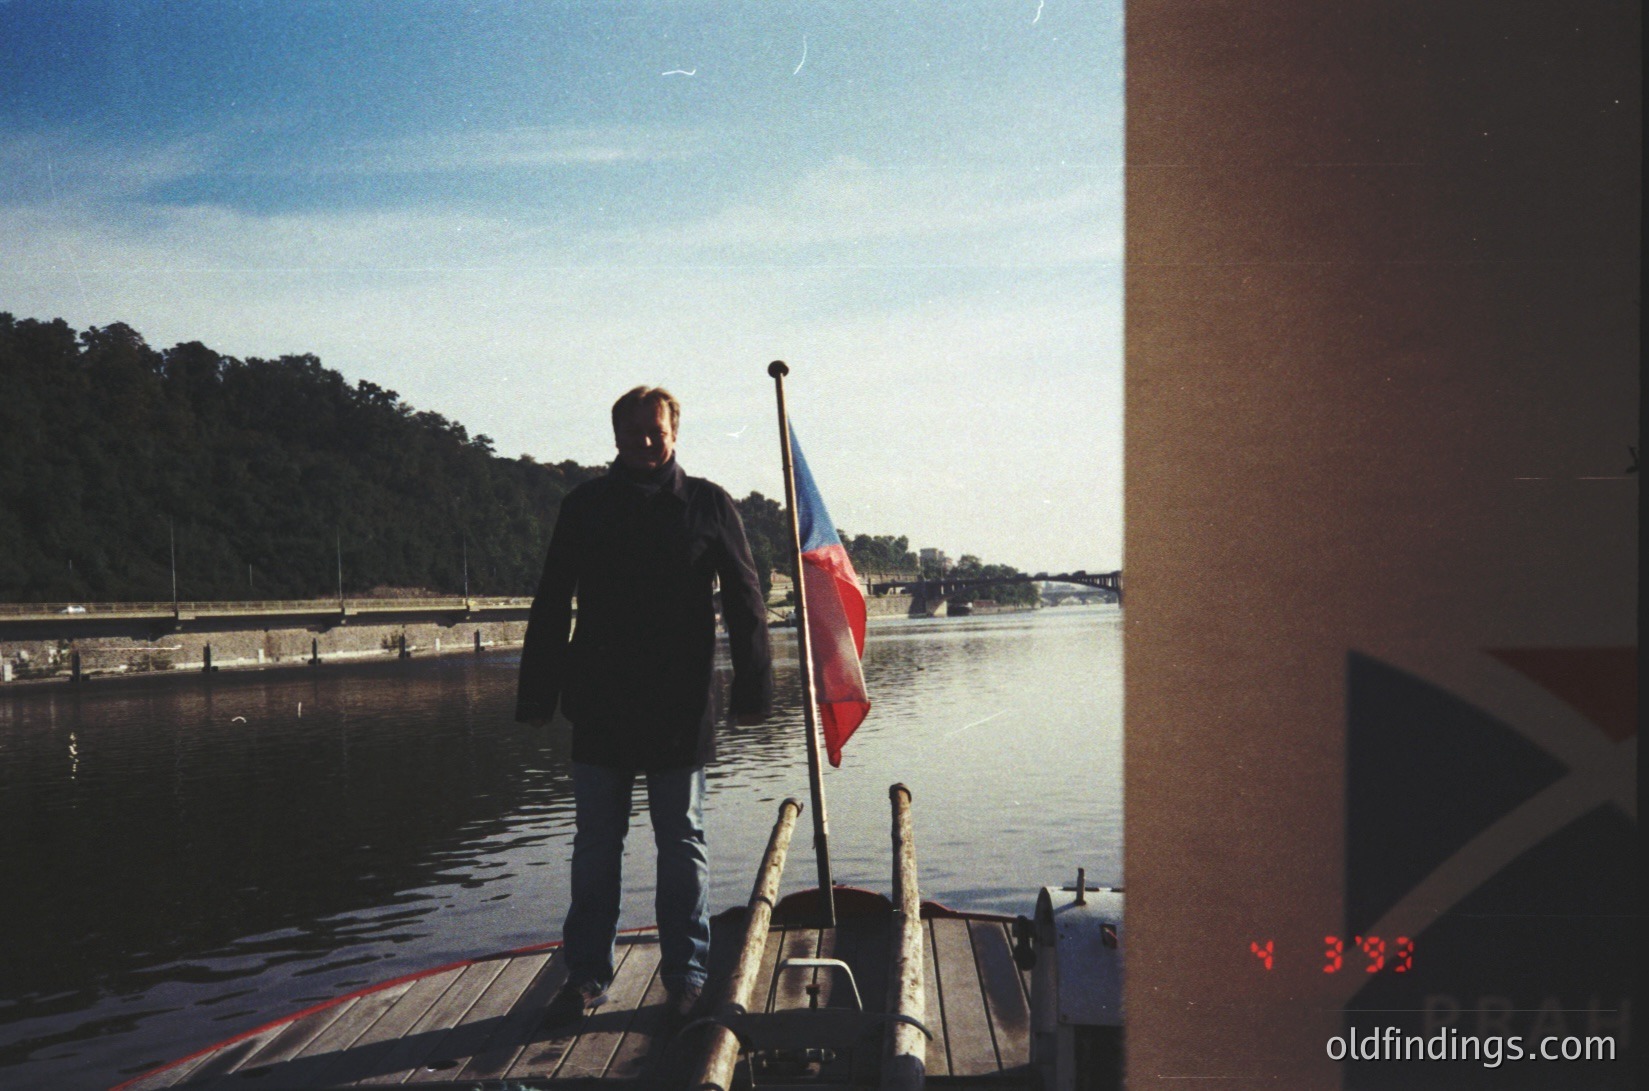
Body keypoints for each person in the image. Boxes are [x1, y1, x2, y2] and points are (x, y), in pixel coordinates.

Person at [516, 385, 772, 1025]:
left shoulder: (709, 504)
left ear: (674, 433)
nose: (645, 441)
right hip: (600, 702)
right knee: (596, 844)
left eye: (655, 431)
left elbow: (746, 602)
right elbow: (552, 600)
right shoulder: (585, 506)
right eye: (633, 431)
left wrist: (753, 692)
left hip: (680, 705)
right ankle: (586, 975)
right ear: (617, 436)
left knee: (681, 840)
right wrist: (536, 697)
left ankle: (685, 975)